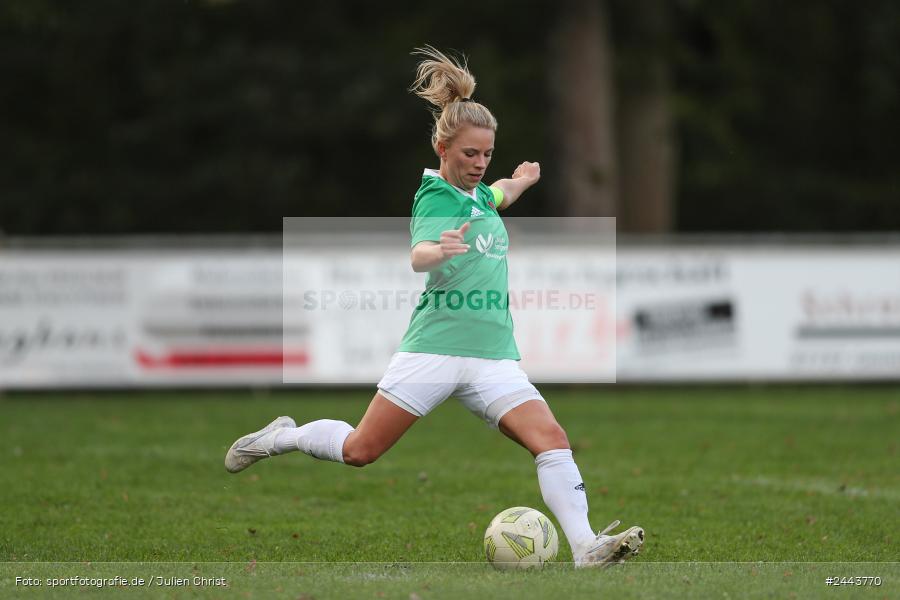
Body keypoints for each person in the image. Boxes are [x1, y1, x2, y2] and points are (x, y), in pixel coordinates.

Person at [225, 46, 643, 568]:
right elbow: (419, 253)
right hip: (436, 349)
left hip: (492, 357)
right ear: (443, 148)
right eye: (470, 154)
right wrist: (435, 251)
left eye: (487, 154)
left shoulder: (479, 195)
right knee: (361, 450)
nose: (480, 164)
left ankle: (585, 547)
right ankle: (282, 438)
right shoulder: (436, 198)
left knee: (552, 440)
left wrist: (521, 180)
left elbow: (499, 193)